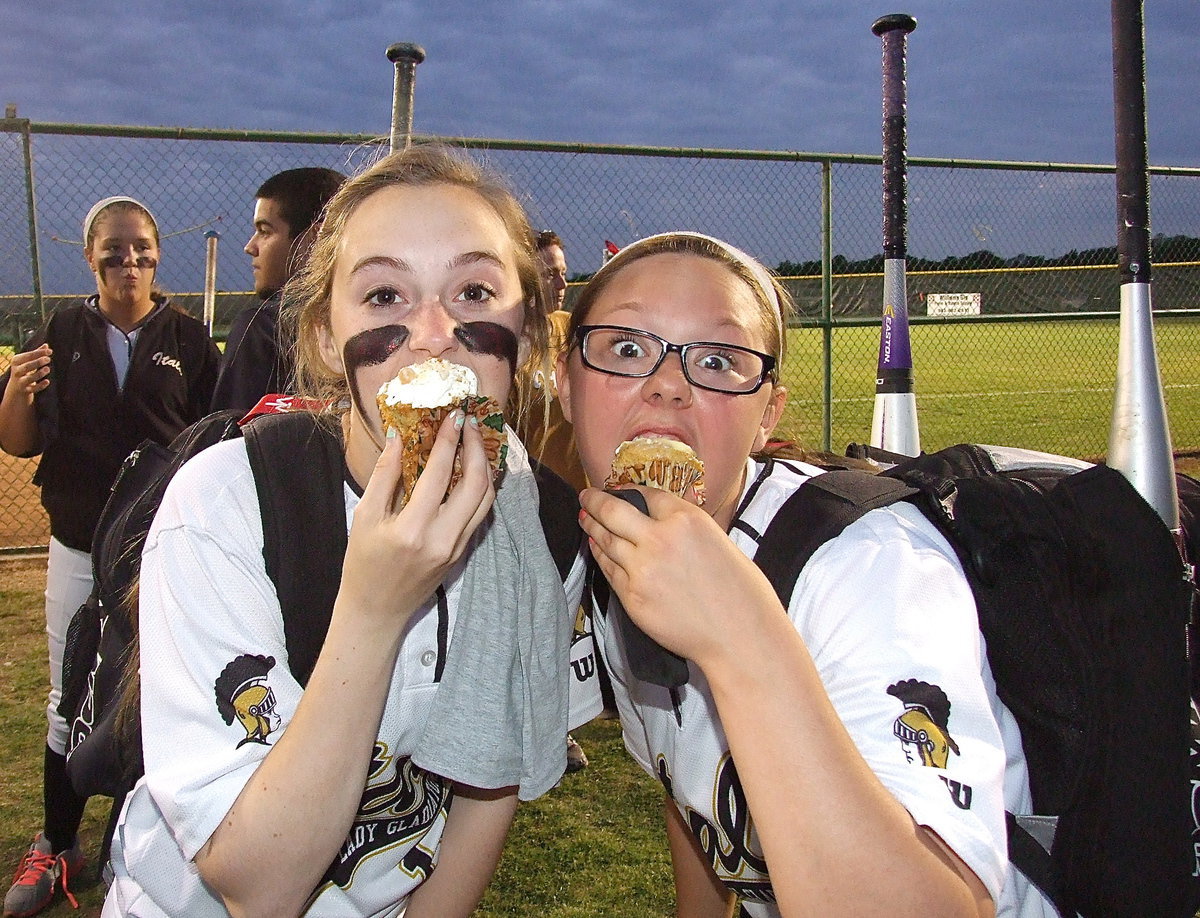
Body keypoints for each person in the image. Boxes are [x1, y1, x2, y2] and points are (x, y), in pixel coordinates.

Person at [102, 145, 584, 917]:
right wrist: (374, 608)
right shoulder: (228, 505)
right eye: (385, 295)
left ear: (524, 335)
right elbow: (257, 888)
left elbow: (486, 787)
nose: (434, 332)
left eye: (474, 291)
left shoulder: (544, 531)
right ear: (327, 339)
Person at [559, 231, 1055, 917]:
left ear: (767, 415)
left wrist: (741, 640)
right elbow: (691, 795)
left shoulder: (869, 565)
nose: (668, 384)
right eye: (626, 348)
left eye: (717, 359)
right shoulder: (617, 561)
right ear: (565, 385)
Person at [0, 196, 220, 917]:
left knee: (164, 693)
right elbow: (18, 441)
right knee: (70, 694)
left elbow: (215, 441)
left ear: (158, 255)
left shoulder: (188, 338)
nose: (129, 260)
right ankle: (57, 844)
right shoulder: (62, 331)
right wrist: (15, 391)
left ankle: (146, 842)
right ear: (89, 255)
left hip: (161, 545)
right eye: (114, 249)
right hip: (77, 542)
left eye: (141, 248)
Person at [209, 167, 347, 413]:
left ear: (316, 239)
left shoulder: (264, 328)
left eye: (265, 231)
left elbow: (232, 430)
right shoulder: (384, 318)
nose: (250, 246)